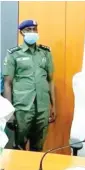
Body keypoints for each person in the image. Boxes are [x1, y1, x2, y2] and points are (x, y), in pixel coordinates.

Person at [2, 19, 55, 151]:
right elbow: (7, 84)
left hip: (42, 108)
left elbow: (50, 80)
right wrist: (9, 113)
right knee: (19, 146)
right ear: (21, 33)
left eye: (34, 29)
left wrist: (53, 106)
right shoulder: (14, 54)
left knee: (38, 147)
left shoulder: (45, 52)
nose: (32, 32)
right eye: (28, 30)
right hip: (22, 108)